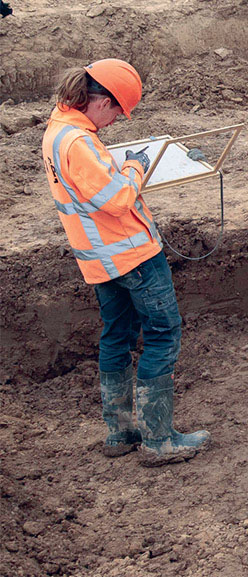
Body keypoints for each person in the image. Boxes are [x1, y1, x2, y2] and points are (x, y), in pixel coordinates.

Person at [42, 60, 209, 465]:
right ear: (100, 101)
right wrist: (136, 165)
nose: (117, 120)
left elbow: (93, 185)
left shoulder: (61, 130)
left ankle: (120, 433)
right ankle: (158, 439)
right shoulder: (79, 143)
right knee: (162, 333)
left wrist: (121, 166)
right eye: (118, 111)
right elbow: (117, 199)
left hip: (100, 261)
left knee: (117, 336)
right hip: (131, 256)